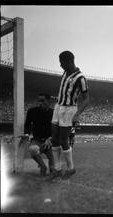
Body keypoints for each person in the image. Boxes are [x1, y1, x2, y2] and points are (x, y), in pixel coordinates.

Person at [48, 51, 90, 181]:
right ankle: (57, 169)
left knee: (63, 140)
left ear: (69, 61)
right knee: (54, 139)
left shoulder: (81, 78)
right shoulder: (65, 73)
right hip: (58, 107)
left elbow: (87, 99)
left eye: (62, 63)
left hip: (69, 109)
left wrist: (77, 114)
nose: (60, 65)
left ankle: (71, 168)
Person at [23, 93, 55, 176]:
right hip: (37, 140)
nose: (40, 103)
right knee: (33, 149)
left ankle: (52, 168)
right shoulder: (32, 111)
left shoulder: (54, 113)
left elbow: (57, 129)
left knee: (53, 171)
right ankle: (42, 166)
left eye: (43, 101)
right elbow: (27, 124)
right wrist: (26, 134)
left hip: (51, 142)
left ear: (48, 101)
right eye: (39, 101)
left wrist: (50, 138)